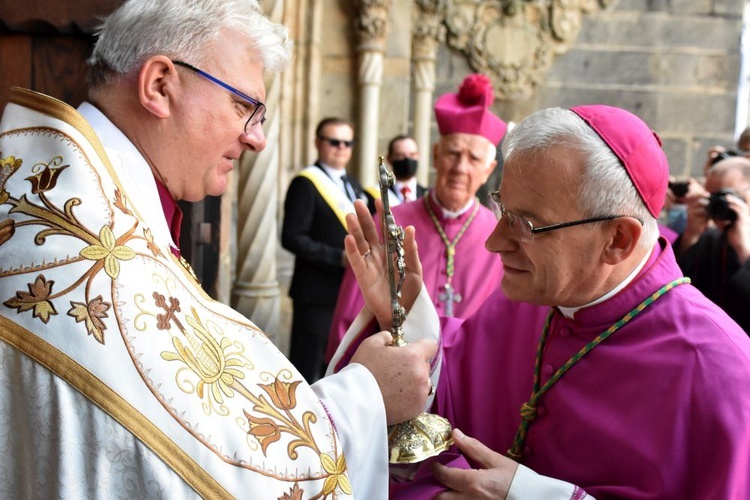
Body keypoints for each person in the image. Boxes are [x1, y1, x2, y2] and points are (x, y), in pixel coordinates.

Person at [0, 1, 437, 498]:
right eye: (243, 107)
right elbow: (226, 475)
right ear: (160, 85)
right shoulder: (93, 255)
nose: (258, 140)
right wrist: (368, 396)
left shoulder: (58, 198)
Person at [336, 105, 750, 498]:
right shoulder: (532, 298)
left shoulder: (721, 374)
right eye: (501, 208)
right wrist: (403, 317)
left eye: (526, 225)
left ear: (618, 240)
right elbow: (451, 388)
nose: (495, 242)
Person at [326, 74, 505, 364]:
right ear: (435, 155)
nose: (460, 167)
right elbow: (351, 318)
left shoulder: (500, 238)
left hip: (468, 378)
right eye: (453, 153)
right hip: (391, 377)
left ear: (489, 169)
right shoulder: (390, 222)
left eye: (473, 159)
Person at [281, 117, 374, 382]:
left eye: (347, 142)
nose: (341, 148)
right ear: (318, 143)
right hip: (315, 293)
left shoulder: (354, 185)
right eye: (334, 141)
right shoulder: (306, 183)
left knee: (337, 365)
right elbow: (291, 237)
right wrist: (338, 258)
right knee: (307, 366)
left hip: (349, 293)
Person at [674, 156, 750, 332]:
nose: (720, 204)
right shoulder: (708, 239)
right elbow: (672, 292)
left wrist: (744, 252)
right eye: (712, 197)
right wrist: (691, 236)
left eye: (729, 195)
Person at [381, 134, 427, 205]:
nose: (407, 160)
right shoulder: (376, 194)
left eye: (412, 155)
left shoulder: (428, 197)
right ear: (389, 159)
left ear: (418, 156)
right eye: (400, 155)